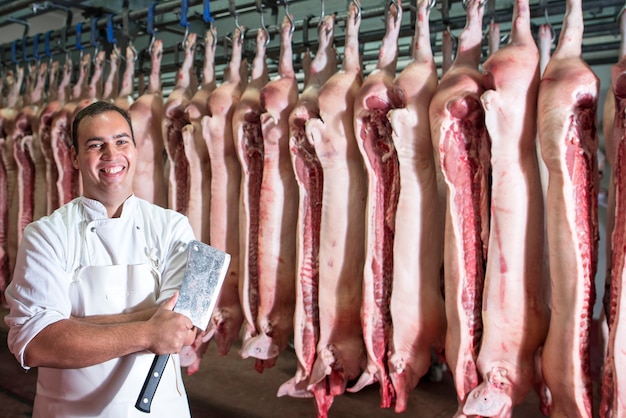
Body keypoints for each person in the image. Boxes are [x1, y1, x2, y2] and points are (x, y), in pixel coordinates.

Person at [4, 101, 197, 417]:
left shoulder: (173, 227)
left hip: (162, 409)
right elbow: (37, 342)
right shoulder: (47, 235)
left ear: (134, 149)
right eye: (96, 145)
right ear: (76, 158)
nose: (112, 154)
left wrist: (69, 326)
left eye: (121, 141)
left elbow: (181, 330)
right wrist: (149, 332)